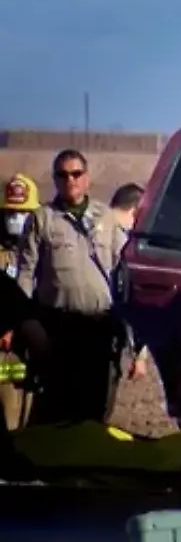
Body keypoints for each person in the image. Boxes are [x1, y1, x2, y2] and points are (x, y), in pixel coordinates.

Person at [17, 149, 128, 425]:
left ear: (87, 178)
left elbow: (123, 270)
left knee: (96, 409)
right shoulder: (42, 219)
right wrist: (22, 324)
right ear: (55, 179)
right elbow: (26, 274)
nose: (70, 180)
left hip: (99, 329)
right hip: (58, 330)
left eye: (76, 173)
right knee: (57, 408)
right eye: (62, 174)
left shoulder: (106, 218)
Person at [0, 174, 40, 430]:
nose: (16, 219)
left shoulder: (43, 253)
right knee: (7, 412)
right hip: (4, 348)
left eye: (23, 213)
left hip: (35, 344)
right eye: (10, 213)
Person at [108, 182, 149, 379]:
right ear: (136, 211)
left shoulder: (87, 228)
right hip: (104, 335)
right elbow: (128, 299)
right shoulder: (125, 247)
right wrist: (139, 355)